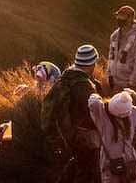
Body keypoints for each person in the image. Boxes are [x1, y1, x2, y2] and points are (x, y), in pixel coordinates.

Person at [42, 45, 103, 183]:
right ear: (90, 64)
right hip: (84, 140)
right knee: (86, 174)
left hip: (65, 137)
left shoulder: (65, 78)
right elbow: (93, 117)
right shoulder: (85, 87)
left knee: (73, 170)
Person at [3, 62, 62, 183]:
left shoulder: (27, 98)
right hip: (36, 163)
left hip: (22, 161)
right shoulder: (43, 104)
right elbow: (41, 136)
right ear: (50, 80)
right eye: (55, 81)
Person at [87, 90, 136, 183]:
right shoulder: (132, 113)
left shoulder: (101, 114)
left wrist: (96, 94)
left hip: (113, 166)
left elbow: (93, 102)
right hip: (128, 164)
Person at [108, 6, 136, 93]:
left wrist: (132, 83)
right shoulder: (114, 36)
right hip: (116, 84)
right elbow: (111, 56)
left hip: (130, 85)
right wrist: (110, 75)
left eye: (122, 16)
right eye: (118, 16)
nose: (118, 18)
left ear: (130, 18)